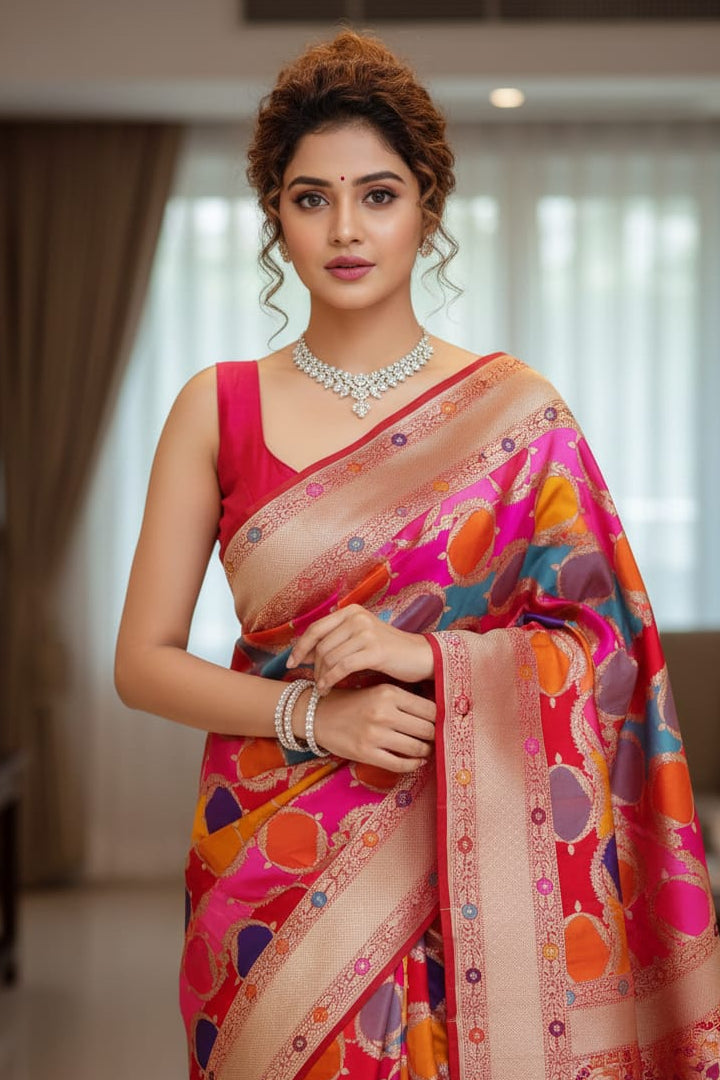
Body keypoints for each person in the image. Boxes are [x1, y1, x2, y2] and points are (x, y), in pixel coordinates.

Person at [115, 29, 720, 1080]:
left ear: (427, 208)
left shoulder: (519, 415)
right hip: (269, 873)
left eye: (378, 194)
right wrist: (316, 715)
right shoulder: (217, 409)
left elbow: (610, 649)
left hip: (470, 870)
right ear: (275, 214)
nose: (345, 228)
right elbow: (143, 662)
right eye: (311, 198)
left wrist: (431, 662)